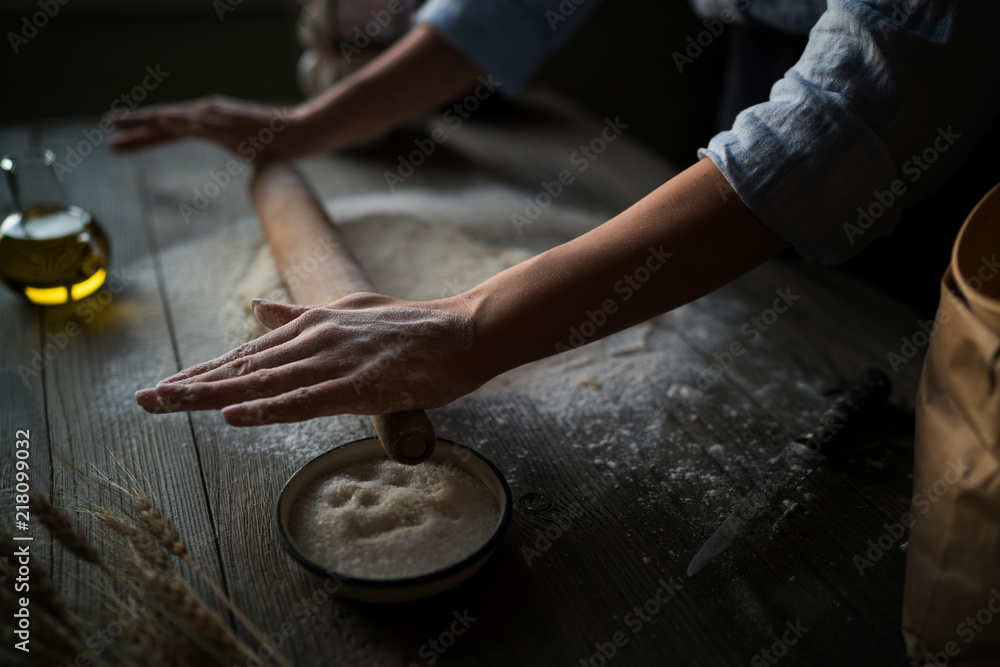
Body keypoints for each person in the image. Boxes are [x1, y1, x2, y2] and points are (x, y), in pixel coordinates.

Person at [114, 0, 1000, 425]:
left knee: (906, 359)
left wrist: (473, 326)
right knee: (774, 298)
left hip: (957, 114)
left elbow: (855, 114)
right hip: (772, 32)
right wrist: (313, 124)